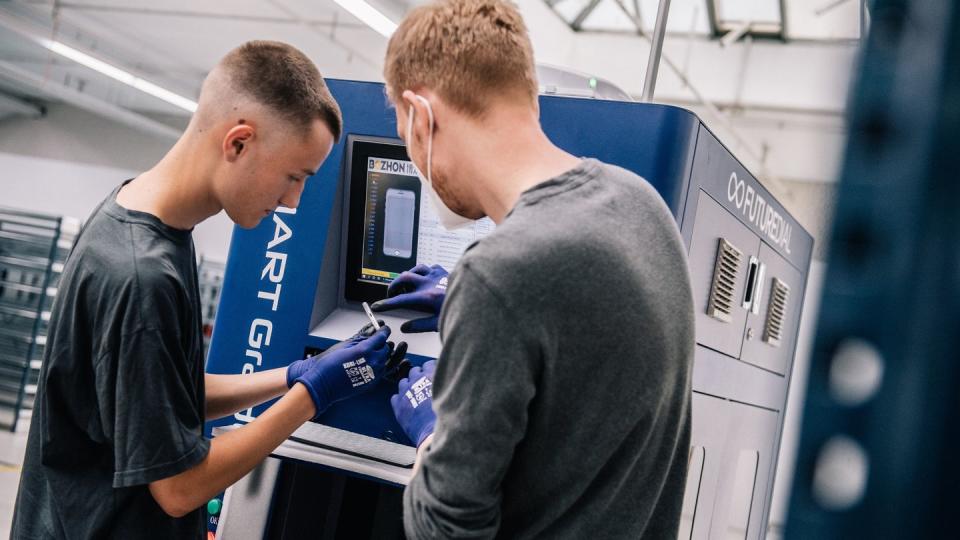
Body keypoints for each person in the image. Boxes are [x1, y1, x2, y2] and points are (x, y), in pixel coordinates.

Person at [12, 41, 405, 539]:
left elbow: (164, 399)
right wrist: (313, 395)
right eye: (293, 176)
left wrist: (291, 375)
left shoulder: (135, 220)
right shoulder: (142, 277)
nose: (292, 201)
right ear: (238, 142)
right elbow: (179, 489)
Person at [371, 1, 696, 538]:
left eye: (404, 132)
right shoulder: (642, 205)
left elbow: (446, 529)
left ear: (421, 115)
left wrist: (432, 431)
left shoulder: (499, 274)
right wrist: (474, 308)